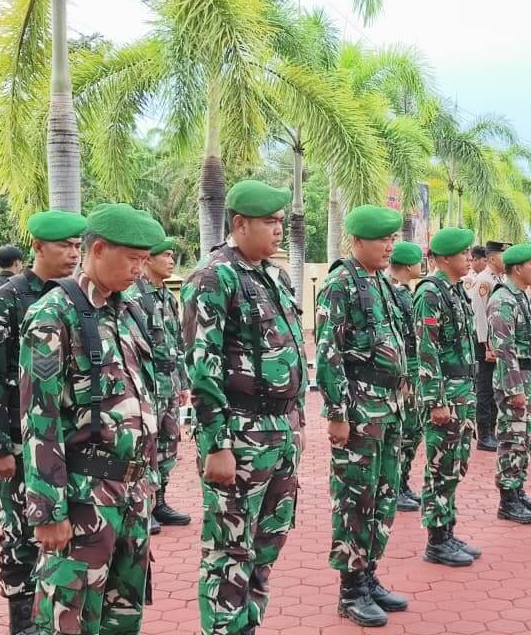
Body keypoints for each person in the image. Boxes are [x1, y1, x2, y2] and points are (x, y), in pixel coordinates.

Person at [20, 204, 163, 635]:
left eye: (144, 259)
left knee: (122, 616)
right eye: (132, 258)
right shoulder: (53, 314)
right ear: (98, 250)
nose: (139, 269)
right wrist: (48, 511)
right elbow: (39, 418)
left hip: (132, 491)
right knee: (69, 618)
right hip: (85, 497)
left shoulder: (127, 310)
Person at [182, 182, 307, 635]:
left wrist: (297, 421)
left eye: (281, 222)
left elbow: (293, 352)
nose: (279, 230)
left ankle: (246, 626)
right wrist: (216, 445)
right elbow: (202, 367)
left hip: (279, 431)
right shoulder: (214, 277)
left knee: (266, 544)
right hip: (239, 434)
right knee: (229, 550)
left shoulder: (273, 276)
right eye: (269, 222)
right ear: (239, 224)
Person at [0, 210, 84, 635]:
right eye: (64, 246)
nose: (73, 254)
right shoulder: (7, 299)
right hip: (19, 440)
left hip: (61, 438)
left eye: (77, 246)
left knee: (63, 531)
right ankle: (21, 620)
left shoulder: (75, 296)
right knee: (20, 532)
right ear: (37, 247)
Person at [316, 205, 410, 626]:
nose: (389, 246)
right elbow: (328, 352)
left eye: (392, 239)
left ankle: (369, 574)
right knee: (355, 498)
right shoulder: (341, 283)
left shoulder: (381, 282)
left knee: (383, 495)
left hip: (387, 408)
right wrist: (337, 413)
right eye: (381, 239)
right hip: (359, 409)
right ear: (357, 241)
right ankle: (351, 589)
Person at [415, 227, 480, 567]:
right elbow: (426, 350)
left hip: (462, 389)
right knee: (440, 465)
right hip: (446, 393)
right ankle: (436, 539)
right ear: (443, 258)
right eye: (463, 253)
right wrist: (436, 400)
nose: (469, 258)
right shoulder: (430, 293)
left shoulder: (455, 291)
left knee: (455, 463)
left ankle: (448, 529)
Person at [125, 237, 191, 534]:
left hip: (169, 385)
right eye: (165, 255)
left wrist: (183, 382)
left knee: (168, 445)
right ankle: (144, 506)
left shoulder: (167, 296)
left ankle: (160, 502)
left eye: (172, 255)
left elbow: (178, 343)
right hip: (148, 387)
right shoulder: (134, 297)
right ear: (148, 259)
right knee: (146, 448)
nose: (171, 260)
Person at [488, 243, 531, 524]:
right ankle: (508, 499)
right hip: (518, 380)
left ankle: (518, 489)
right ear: (517, 268)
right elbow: (504, 349)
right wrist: (514, 389)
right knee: (513, 439)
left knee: (529, 438)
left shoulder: (522, 296)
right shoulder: (503, 300)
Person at [388, 241, 424, 513]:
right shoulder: (395, 294)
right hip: (405, 367)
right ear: (409, 265)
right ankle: (395, 486)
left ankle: (402, 482)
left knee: (413, 429)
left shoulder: (404, 292)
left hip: (413, 366)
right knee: (406, 430)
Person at [467, 241, 507, 452]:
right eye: (503, 256)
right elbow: (479, 315)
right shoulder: (484, 280)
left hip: (496, 342)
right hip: (485, 343)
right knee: (485, 389)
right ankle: (484, 434)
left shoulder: (497, 279)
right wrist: (487, 344)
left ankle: (492, 429)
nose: (506, 260)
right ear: (492, 258)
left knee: (495, 387)